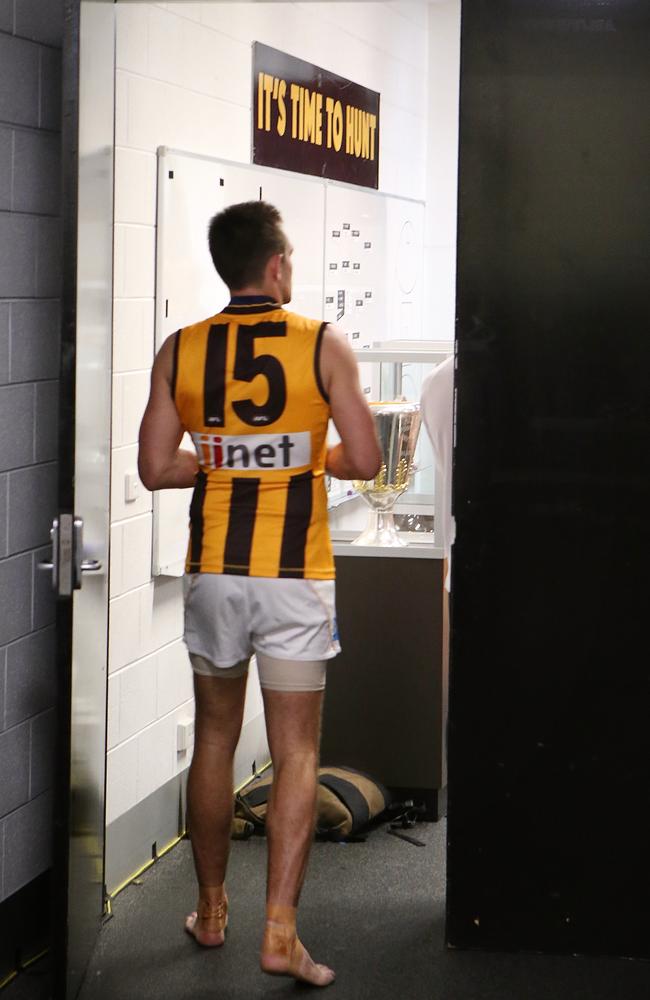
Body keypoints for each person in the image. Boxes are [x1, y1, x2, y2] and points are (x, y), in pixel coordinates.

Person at [138, 200, 381, 988]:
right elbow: (366, 458)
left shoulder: (182, 348)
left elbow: (155, 465)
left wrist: (227, 458)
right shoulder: (322, 342)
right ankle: (280, 934)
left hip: (214, 571)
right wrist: (303, 456)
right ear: (276, 266)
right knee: (296, 751)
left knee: (214, 737)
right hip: (292, 579)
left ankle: (211, 914)